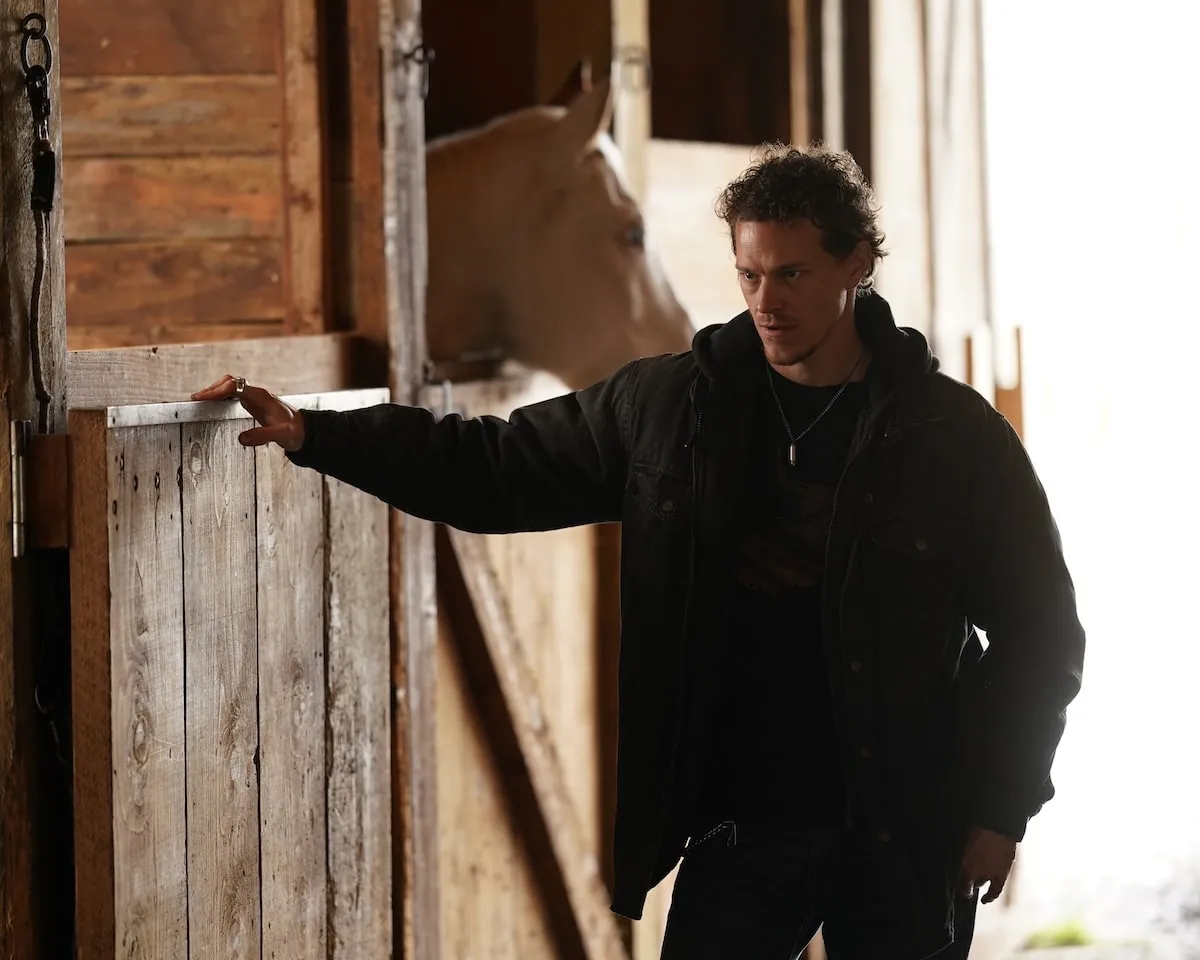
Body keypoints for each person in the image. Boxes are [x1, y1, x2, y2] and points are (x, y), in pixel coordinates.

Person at [192, 143, 1085, 959]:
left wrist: (1000, 805)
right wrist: (322, 435)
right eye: (748, 275)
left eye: (793, 274)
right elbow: (496, 468)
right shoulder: (671, 407)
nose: (766, 302)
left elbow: (1042, 634)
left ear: (858, 264)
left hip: (902, 826)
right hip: (740, 825)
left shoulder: (950, 433)